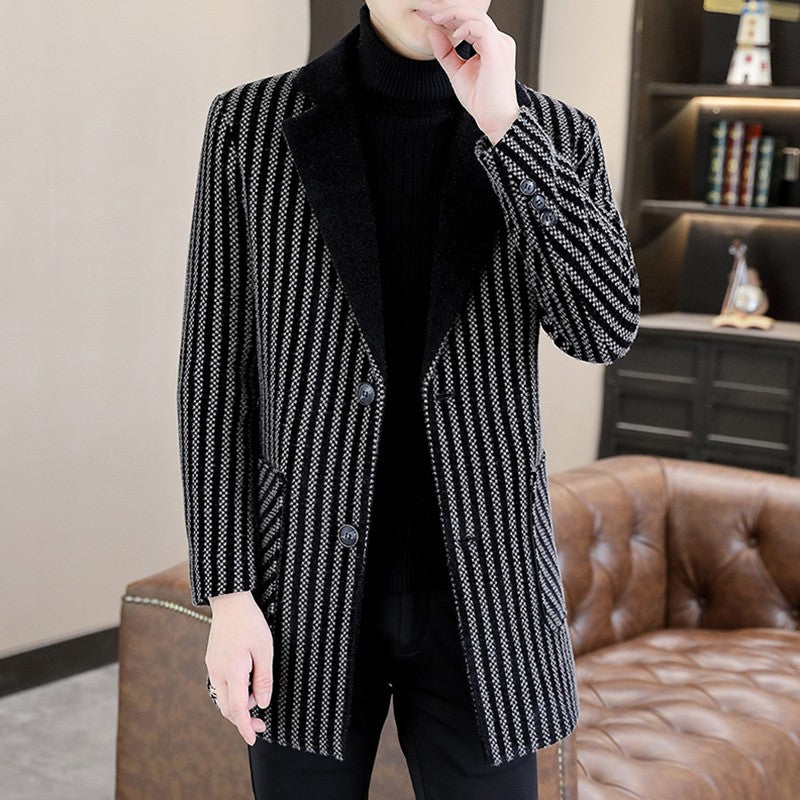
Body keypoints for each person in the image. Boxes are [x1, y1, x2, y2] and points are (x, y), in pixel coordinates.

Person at [176, 1, 641, 798]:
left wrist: (507, 130)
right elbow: (214, 381)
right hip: (305, 590)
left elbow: (602, 328)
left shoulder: (556, 135)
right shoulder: (250, 125)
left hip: (489, 597)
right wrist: (228, 594)